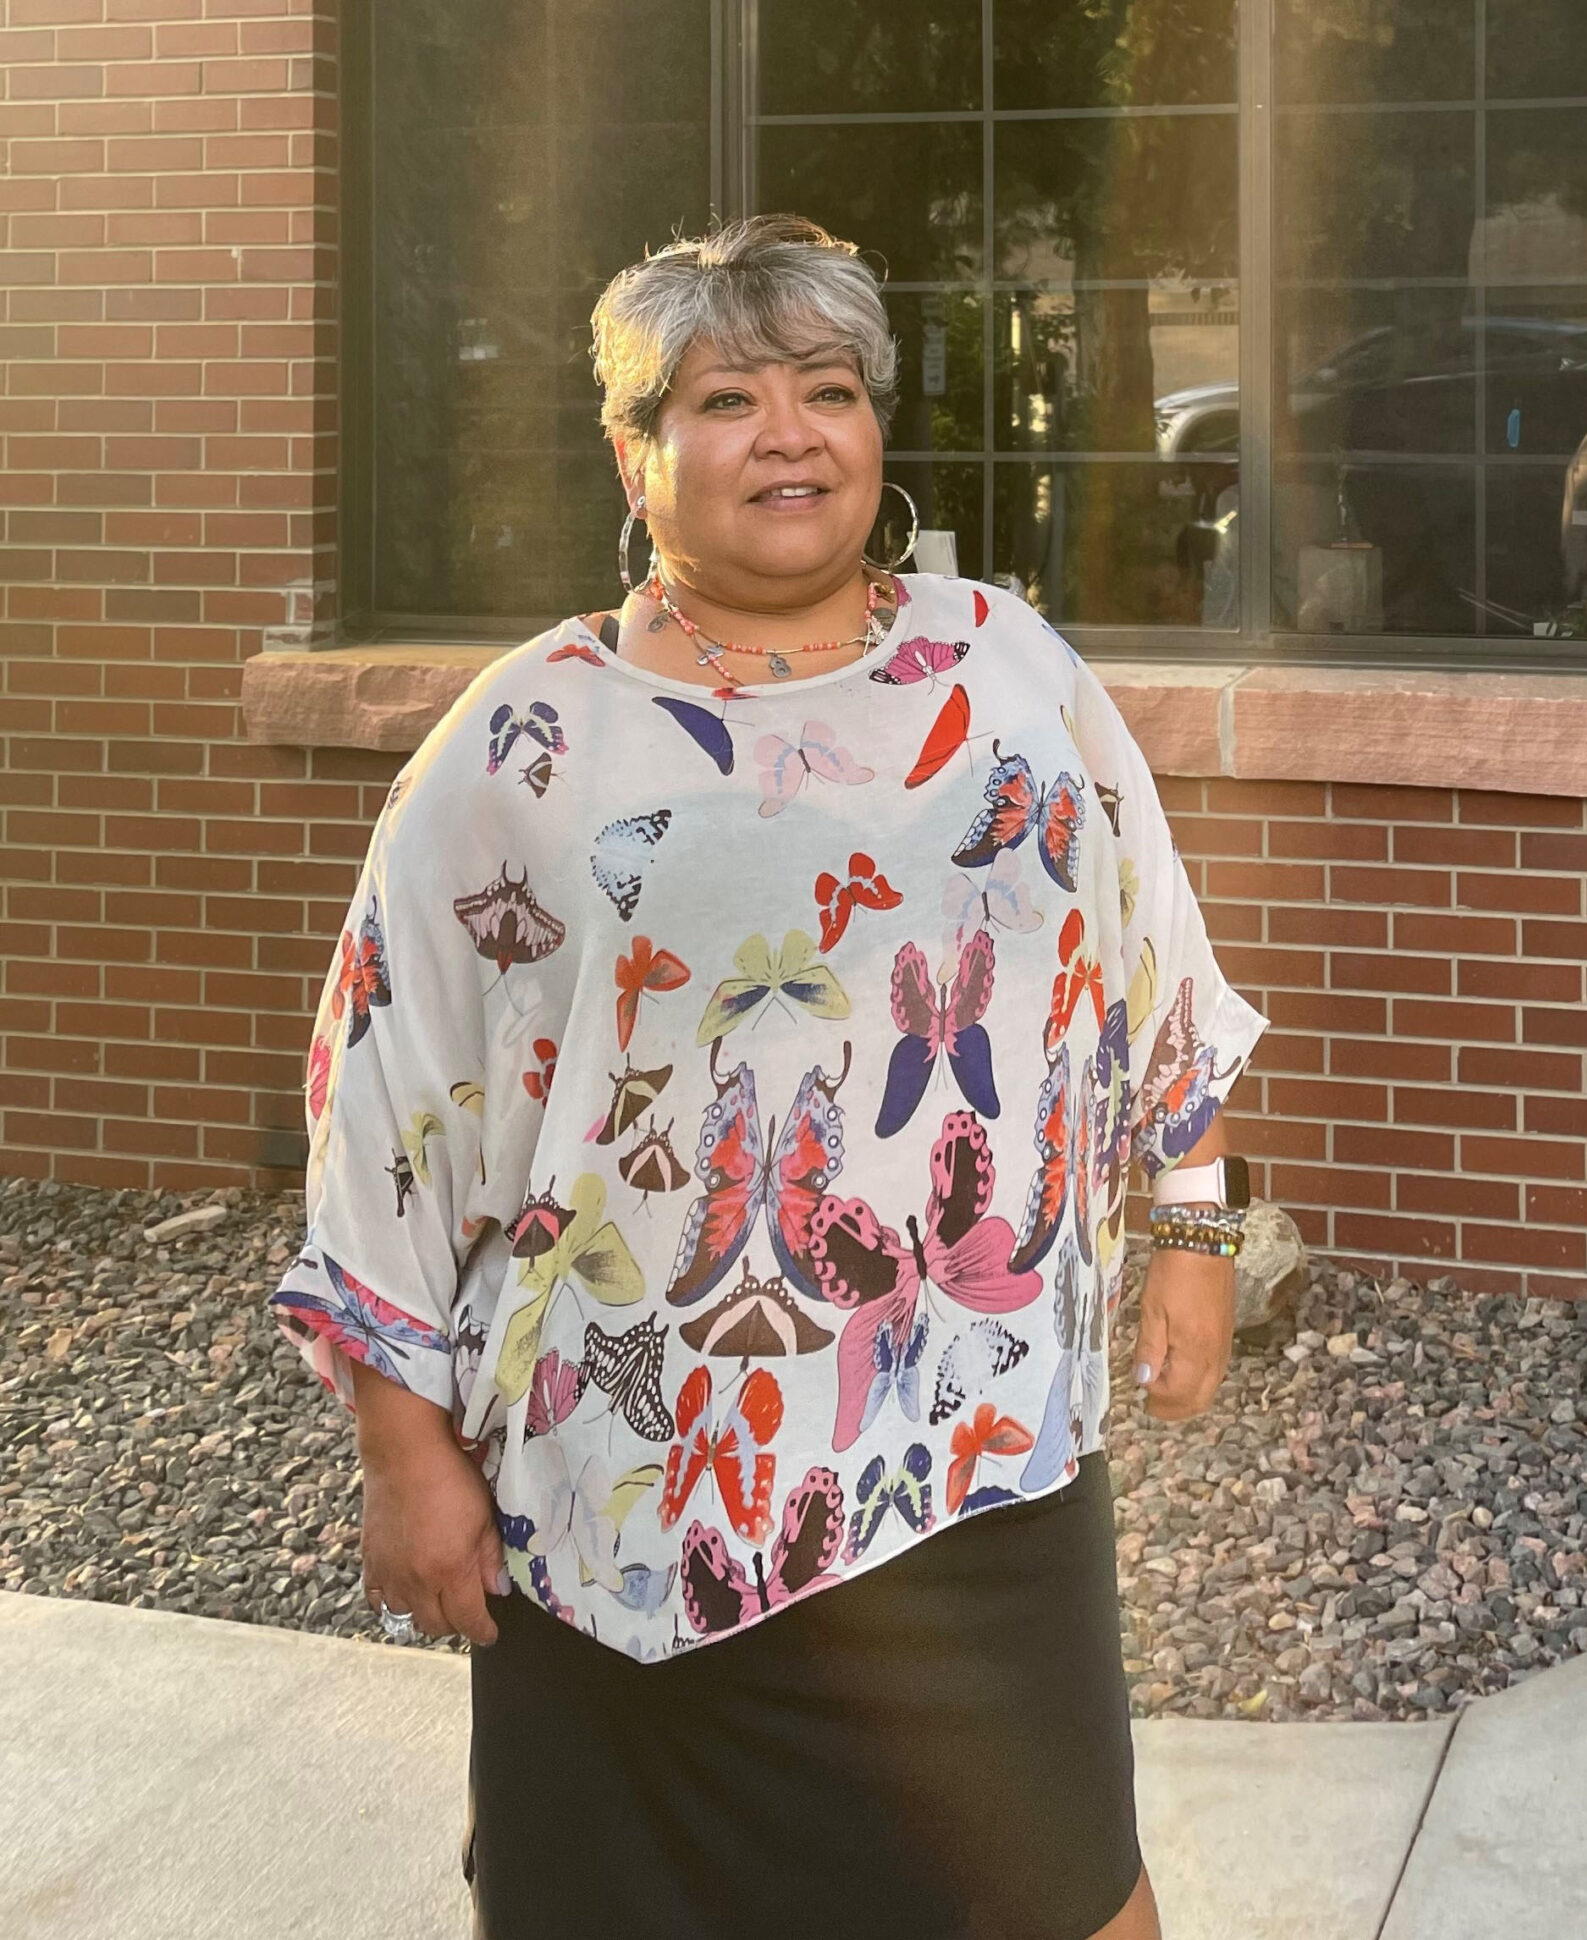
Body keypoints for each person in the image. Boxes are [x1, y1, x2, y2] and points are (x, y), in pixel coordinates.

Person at [268, 214, 1267, 1940]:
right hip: (631, 1489)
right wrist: (401, 1450)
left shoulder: (1011, 673)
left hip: (968, 1452)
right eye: (728, 398)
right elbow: (384, 1095)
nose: (790, 434)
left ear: (878, 429)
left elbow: (1154, 957)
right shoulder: (524, 746)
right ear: (638, 453)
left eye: (828, 389)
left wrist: (1191, 1227)